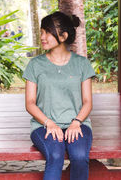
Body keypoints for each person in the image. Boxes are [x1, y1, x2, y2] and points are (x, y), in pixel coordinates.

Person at [23, 11, 95, 180]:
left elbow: (87, 102)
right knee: (55, 155)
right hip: (43, 125)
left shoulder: (82, 64)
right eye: (42, 32)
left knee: (79, 156)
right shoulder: (35, 65)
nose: (42, 36)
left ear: (63, 36)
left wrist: (77, 122)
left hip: (78, 123)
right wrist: (49, 123)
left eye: (48, 32)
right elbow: (30, 103)